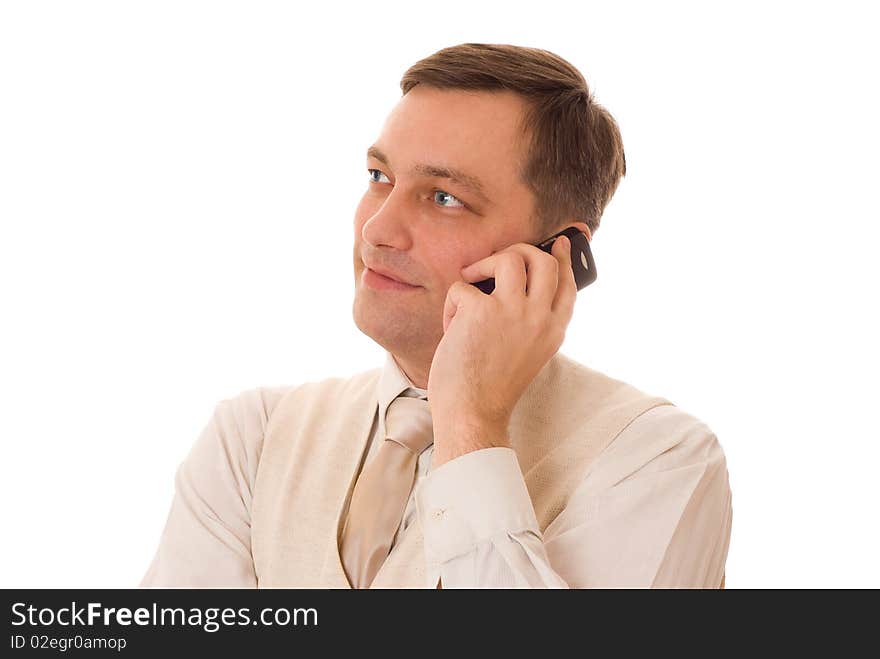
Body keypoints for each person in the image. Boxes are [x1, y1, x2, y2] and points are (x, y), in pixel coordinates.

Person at [140, 43, 732, 589]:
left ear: (556, 254)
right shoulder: (254, 439)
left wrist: (471, 422)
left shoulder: (657, 460)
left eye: (444, 198)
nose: (377, 230)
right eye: (380, 178)